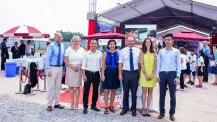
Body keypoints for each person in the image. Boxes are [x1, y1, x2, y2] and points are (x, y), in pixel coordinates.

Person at [157, 33, 181, 121]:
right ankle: (162, 112)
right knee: (162, 95)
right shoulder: (161, 51)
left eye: (169, 40)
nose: (167, 41)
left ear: (172, 41)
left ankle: (172, 113)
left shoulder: (176, 51)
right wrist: (157, 75)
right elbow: (158, 64)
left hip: (172, 74)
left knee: (172, 95)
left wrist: (177, 76)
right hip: (162, 74)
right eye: (166, 40)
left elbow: (178, 65)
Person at [118, 35, 141, 117]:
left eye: (132, 41)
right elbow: (120, 63)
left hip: (135, 73)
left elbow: (139, 63)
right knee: (126, 92)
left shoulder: (138, 51)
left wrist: (138, 74)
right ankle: (125, 108)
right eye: (129, 41)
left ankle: (133, 109)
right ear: (127, 41)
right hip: (126, 73)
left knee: (134, 92)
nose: (130, 42)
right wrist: (120, 73)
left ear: (134, 41)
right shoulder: (123, 51)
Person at [82, 39, 102, 114]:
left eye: (95, 43)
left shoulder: (100, 54)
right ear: (90, 44)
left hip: (96, 74)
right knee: (86, 91)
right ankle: (85, 106)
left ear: (97, 44)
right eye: (92, 43)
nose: (93, 45)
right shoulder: (86, 54)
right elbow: (83, 65)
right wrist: (84, 75)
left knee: (95, 91)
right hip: (88, 73)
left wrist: (102, 74)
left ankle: (93, 105)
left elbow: (101, 65)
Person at [45, 32, 65, 112]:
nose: (59, 38)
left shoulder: (63, 46)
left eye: (60, 37)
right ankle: (49, 104)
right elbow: (48, 58)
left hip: (60, 68)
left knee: (57, 86)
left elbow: (63, 58)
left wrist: (63, 69)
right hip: (52, 68)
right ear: (54, 38)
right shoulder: (51, 46)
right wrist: (48, 70)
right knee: (50, 87)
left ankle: (56, 103)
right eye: (58, 37)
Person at [64, 36, 85, 110]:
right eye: (74, 41)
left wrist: (83, 72)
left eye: (77, 41)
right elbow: (65, 60)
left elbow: (84, 61)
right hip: (70, 68)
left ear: (79, 42)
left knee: (77, 87)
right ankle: (72, 103)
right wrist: (72, 67)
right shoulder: (68, 49)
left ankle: (76, 103)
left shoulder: (82, 50)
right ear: (72, 42)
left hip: (79, 69)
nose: (76, 42)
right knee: (71, 87)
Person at [101, 40, 120, 114]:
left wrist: (119, 73)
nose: (112, 45)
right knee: (106, 90)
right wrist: (102, 74)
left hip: (115, 72)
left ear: (115, 45)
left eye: (113, 44)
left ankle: (111, 105)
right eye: (110, 44)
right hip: (107, 72)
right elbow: (102, 65)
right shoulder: (105, 53)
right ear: (108, 45)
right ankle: (106, 106)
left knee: (114, 90)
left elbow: (119, 64)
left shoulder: (118, 53)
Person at [140, 38, 156, 117]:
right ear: (144, 43)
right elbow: (142, 64)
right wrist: (145, 74)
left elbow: (155, 64)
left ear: (151, 43)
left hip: (152, 74)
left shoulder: (154, 52)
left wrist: (153, 73)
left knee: (150, 92)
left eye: (149, 42)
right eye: (146, 42)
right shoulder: (142, 51)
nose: (148, 43)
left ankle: (148, 109)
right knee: (144, 92)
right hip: (144, 74)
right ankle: (143, 108)